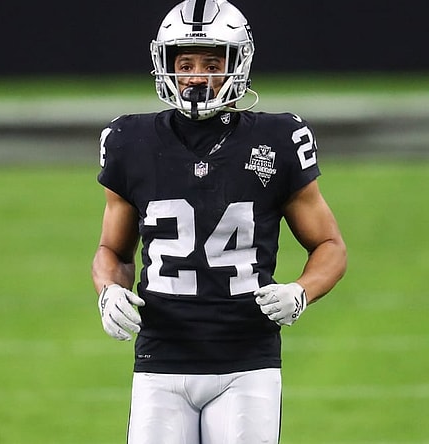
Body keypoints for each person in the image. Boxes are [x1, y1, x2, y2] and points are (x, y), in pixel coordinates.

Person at [91, 0, 347, 442]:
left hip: (247, 360)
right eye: (184, 62)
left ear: (238, 65)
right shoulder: (128, 141)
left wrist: (299, 292)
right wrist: (109, 289)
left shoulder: (278, 139)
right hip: (161, 358)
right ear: (164, 65)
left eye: (212, 63)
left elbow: (330, 246)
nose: (195, 76)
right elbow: (113, 250)